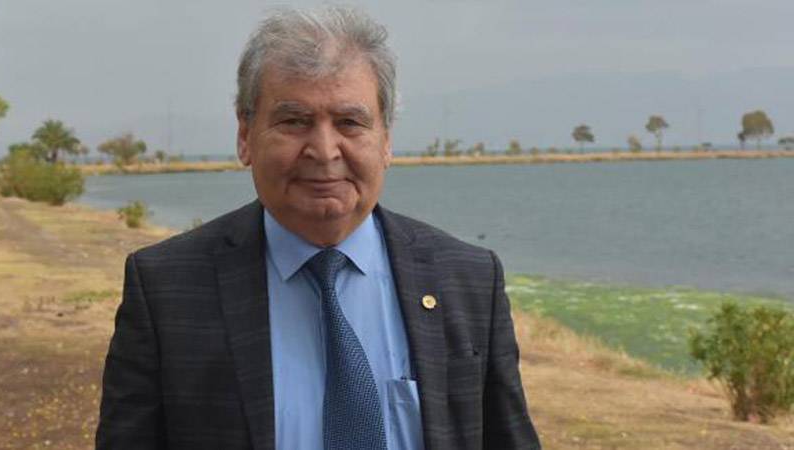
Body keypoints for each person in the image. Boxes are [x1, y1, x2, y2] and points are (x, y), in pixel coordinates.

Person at [96, 6, 541, 450]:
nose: (325, 151)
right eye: (294, 121)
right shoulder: (166, 290)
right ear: (245, 135)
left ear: (386, 140)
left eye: (350, 122)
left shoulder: (468, 281)